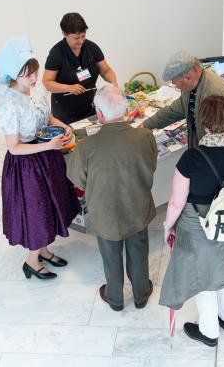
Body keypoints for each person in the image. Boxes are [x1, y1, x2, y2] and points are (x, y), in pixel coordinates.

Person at [159, 95, 224, 347]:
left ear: (204, 123)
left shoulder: (191, 158)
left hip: (198, 223)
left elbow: (176, 202)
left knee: (203, 275)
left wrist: (167, 225)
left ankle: (209, 331)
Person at [0, 37, 81, 280]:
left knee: (51, 205)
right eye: (29, 76)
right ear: (15, 76)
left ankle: (45, 251)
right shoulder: (8, 104)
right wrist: (49, 144)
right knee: (37, 211)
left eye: (35, 73)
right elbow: (14, 147)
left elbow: (47, 119)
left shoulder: (35, 92)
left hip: (47, 157)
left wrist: (63, 126)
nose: (35, 79)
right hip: (27, 166)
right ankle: (31, 260)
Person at [66, 84, 158, 311]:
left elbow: (78, 181)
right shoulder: (145, 136)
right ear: (126, 111)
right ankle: (141, 293)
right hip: (137, 206)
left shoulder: (86, 147)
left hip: (105, 211)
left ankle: (115, 297)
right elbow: (152, 164)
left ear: (99, 114)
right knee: (139, 250)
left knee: (110, 255)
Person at [142, 51, 224, 148]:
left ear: (187, 77)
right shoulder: (191, 87)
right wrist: (146, 125)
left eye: (174, 80)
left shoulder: (218, 93)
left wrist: (203, 159)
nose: (173, 84)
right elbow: (175, 110)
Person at [43, 12, 117, 124]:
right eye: (76, 38)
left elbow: (106, 70)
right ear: (64, 33)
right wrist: (68, 88)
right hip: (66, 112)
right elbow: (47, 82)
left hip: (90, 106)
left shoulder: (91, 48)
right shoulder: (57, 53)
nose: (81, 41)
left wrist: (114, 84)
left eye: (83, 36)